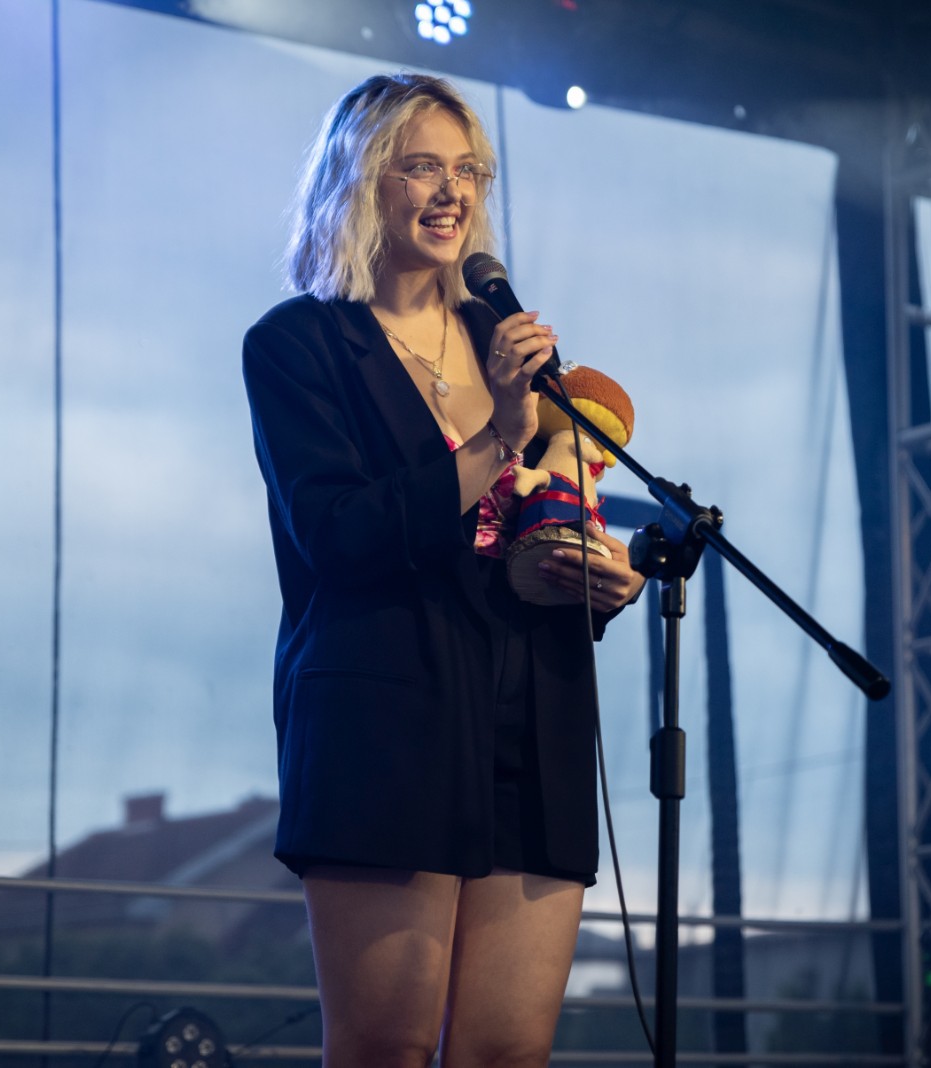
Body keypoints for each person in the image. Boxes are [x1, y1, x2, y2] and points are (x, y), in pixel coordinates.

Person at [241, 73, 645, 1068]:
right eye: (421, 166)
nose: (451, 191)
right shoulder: (298, 344)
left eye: (468, 171)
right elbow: (340, 535)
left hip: (533, 719)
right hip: (388, 719)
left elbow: (531, 528)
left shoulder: (506, 349)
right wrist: (498, 433)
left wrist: (592, 576)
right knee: (385, 1045)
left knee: (507, 1052)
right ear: (359, 179)